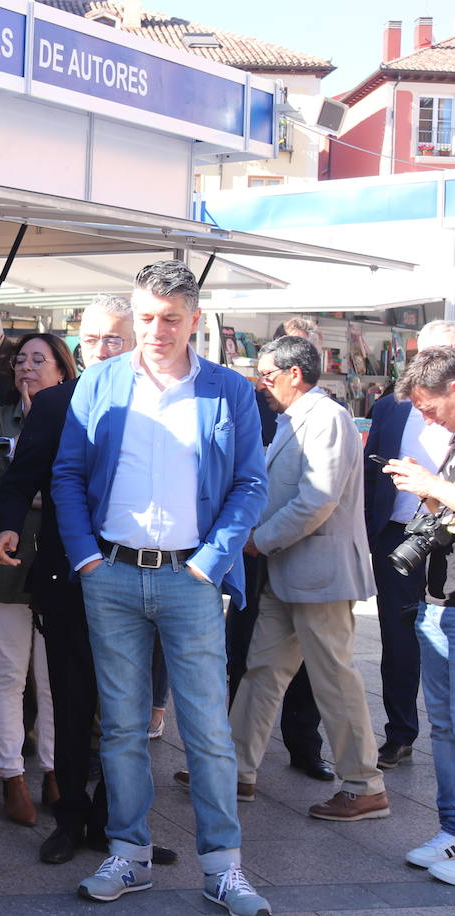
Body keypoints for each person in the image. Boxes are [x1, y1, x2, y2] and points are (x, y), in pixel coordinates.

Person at [52, 260, 271, 915]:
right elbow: (67, 473)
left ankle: (223, 868)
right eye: (145, 317)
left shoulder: (230, 391)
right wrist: (87, 558)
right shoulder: (100, 382)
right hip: (111, 576)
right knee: (120, 729)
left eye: (170, 318)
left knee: (206, 731)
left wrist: (211, 561)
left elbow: (251, 483)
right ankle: (130, 853)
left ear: (195, 320)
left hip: (191, 578)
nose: (155, 330)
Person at [0, 295, 176, 867]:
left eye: (113, 340)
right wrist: (6, 528)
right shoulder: (55, 404)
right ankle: (70, 818)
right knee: (71, 704)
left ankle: (114, 824)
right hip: (67, 578)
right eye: (90, 340)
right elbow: (20, 478)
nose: (99, 350)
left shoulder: (157, 402)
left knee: (125, 711)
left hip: (143, 578)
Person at [226, 335, 386, 819]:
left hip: (317, 573)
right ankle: (233, 769)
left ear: (296, 374)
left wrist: (261, 539)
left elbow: (317, 499)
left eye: (268, 375)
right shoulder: (295, 416)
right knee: (262, 670)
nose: (262, 384)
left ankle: (364, 784)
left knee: (333, 678)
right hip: (288, 571)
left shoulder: (329, 417)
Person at [0, 333, 73, 822]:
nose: (27, 367)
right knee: (8, 671)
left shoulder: (75, 418)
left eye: (39, 359)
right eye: (21, 360)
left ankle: (53, 770)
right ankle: (12, 776)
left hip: (58, 559)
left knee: (53, 677)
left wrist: (29, 495)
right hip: (5, 560)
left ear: (62, 369)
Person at [364, 320, 455, 770]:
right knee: (397, 639)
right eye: (424, 355)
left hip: (447, 544)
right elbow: (369, 473)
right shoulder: (391, 407)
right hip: (399, 537)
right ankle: (400, 734)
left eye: (441, 356)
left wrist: (434, 486)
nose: (427, 365)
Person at [382, 346, 455, 882]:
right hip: (438, 600)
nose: (424, 417)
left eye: (429, 407)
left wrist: (435, 487)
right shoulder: (448, 444)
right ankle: (451, 834)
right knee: (445, 728)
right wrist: (427, 496)